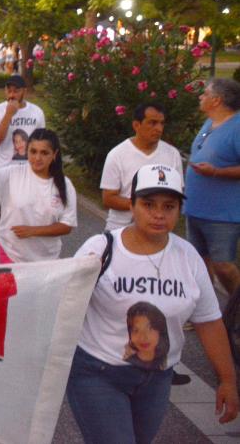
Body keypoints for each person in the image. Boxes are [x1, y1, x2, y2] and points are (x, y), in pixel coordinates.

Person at [68, 164, 238, 443]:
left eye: (169, 206)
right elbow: (62, 305)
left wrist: (228, 380)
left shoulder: (188, 257)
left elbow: (208, 321)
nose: (159, 214)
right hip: (98, 374)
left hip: (157, 380)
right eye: (149, 204)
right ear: (132, 204)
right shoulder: (100, 249)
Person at [184, 78, 240, 295]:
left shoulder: (236, 127)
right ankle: (205, 311)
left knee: (223, 266)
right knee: (198, 264)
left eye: (205, 94)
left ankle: (236, 311)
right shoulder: (210, 122)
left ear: (217, 100)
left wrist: (216, 172)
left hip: (222, 215)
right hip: (195, 209)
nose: (201, 97)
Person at [0, 128, 76, 262]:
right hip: (8, 254)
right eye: (33, 151)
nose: (37, 158)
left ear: (54, 154)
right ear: (27, 151)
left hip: (46, 261)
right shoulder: (10, 174)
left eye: (44, 153)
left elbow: (66, 225)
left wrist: (33, 231)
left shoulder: (65, 184)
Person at [101, 103, 183, 231]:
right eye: (152, 123)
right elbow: (108, 199)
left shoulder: (172, 154)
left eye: (162, 123)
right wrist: (145, 206)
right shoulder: (117, 155)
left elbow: (178, 194)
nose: (159, 129)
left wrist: (158, 209)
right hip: (120, 229)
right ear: (136, 125)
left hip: (158, 231)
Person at [0, 75, 45, 169]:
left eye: (16, 91)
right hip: (3, 168)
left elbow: (41, 142)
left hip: (28, 168)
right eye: (9, 91)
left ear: (24, 92)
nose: (12, 95)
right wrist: (8, 114)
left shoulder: (37, 112)